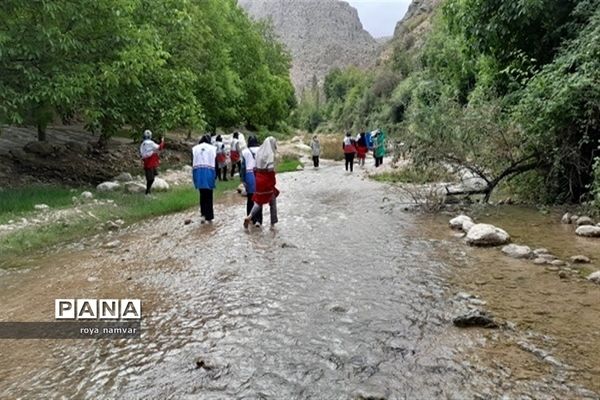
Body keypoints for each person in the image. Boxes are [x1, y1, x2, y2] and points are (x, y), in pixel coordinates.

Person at [244, 137, 279, 229]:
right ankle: (272, 224)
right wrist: (273, 181)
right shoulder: (269, 154)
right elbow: (270, 170)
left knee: (259, 201)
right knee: (272, 201)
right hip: (267, 179)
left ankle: (249, 216)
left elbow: (254, 168)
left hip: (258, 179)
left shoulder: (259, 152)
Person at [192, 135, 217, 223]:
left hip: (199, 173)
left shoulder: (196, 149)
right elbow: (215, 163)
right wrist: (215, 175)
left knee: (202, 195)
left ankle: (203, 214)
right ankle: (209, 216)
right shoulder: (212, 149)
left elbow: (193, 162)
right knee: (209, 195)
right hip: (209, 173)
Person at [240, 135, 263, 226]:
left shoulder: (245, 152)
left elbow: (243, 167)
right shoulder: (261, 150)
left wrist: (243, 180)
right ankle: (258, 220)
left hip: (249, 176)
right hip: (260, 175)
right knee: (259, 199)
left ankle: (250, 219)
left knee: (250, 199)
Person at [139, 129, 165, 196]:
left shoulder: (142, 144)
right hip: (151, 163)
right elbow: (160, 147)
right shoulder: (150, 143)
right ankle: (147, 192)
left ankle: (148, 191)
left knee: (150, 178)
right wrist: (162, 141)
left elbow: (142, 154)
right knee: (151, 179)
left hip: (147, 162)